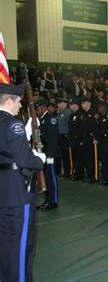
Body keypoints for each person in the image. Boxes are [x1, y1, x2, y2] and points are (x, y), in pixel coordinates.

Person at [0, 83, 46, 282]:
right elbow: (24, 160)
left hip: (3, 190)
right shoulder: (13, 124)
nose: (20, 105)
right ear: (9, 100)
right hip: (18, 192)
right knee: (21, 246)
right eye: (18, 101)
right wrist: (40, 159)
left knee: (5, 242)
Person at [35, 99, 60, 211]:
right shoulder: (40, 120)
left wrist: (50, 155)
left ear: (44, 108)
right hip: (43, 154)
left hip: (50, 154)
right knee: (45, 178)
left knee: (51, 178)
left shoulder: (51, 119)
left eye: (38, 109)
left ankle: (53, 201)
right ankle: (47, 201)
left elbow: (53, 139)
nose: (37, 111)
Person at [81, 97, 98, 183]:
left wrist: (95, 138)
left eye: (83, 103)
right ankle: (89, 174)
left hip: (91, 138)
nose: (82, 105)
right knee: (87, 157)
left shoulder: (93, 114)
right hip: (85, 138)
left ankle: (94, 176)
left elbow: (95, 127)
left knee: (92, 158)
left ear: (88, 103)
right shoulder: (84, 114)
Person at [68, 98, 84, 181]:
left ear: (76, 105)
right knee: (74, 157)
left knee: (79, 158)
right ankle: (76, 172)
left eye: (71, 104)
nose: (70, 106)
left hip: (78, 140)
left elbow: (81, 129)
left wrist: (81, 140)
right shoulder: (72, 115)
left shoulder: (80, 114)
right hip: (73, 140)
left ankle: (79, 173)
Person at [57, 97, 72, 179]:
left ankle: (69, 171)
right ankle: (66, 171)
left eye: (60, 103)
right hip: (60, 136)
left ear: (64, 103)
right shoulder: (60, 113)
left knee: (67, 155)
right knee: (63, 155)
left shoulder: (67, 113)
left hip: (65, 136)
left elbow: (70, 126)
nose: (58, 104)